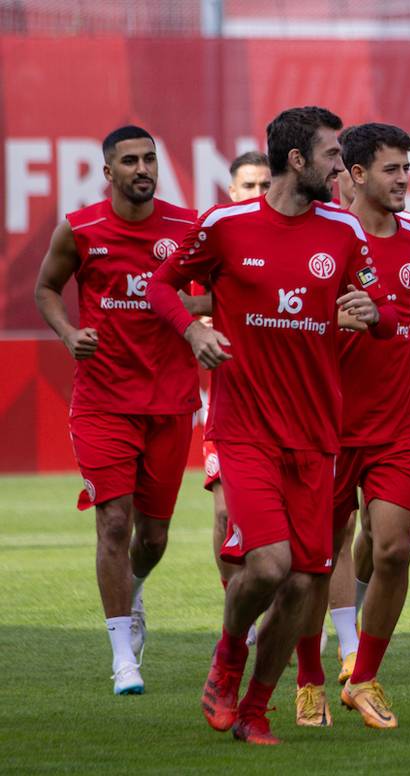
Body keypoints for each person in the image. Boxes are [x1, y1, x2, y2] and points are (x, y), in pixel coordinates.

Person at [147, 105, 399, 745]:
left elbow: (386, 315)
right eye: (331, 154)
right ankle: (227, 661)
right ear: (297, 161)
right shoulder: (226, 225)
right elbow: (160, 287)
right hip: (246, 428)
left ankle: (257, 708)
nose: (340, 165)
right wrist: (194, 328)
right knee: (267, 566)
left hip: (318, 435)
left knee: (306, 584)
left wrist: (375, 313)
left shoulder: (343, 232)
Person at [33, 125, 200, 696]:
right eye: (129, 160)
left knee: (151, 538)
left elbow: (209, 292)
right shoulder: (80, 230)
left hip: (171, 404)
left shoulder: (187, 228)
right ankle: (122, 656)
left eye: (149, 158)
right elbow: (47, 289)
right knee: (114, 522)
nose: (142, 168)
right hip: (103, 402)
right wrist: (67, 331)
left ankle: (132, 588)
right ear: (108, 172)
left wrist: (189, 308)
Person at [289, 122, 410, 730]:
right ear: (354, 175)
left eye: (407, 167)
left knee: (395, 549)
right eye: (390, 169)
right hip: (322, 426)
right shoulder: (316, 236)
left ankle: (366, 676)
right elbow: (282, 312)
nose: (404, 179)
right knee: (314, 563)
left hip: (398, 427)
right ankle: (308, 681)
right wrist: (332, 318)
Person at [202, 153, 272, 642]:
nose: (257, 193)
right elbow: (185, 299)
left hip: (286, 408)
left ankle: (279, 611)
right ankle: (237, 602)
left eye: (265, 184)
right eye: (248, 185)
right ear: (232, 191)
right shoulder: (218, 238)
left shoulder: (296, 238)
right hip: (229, 405)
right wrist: (197, 323)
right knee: (225, 512)